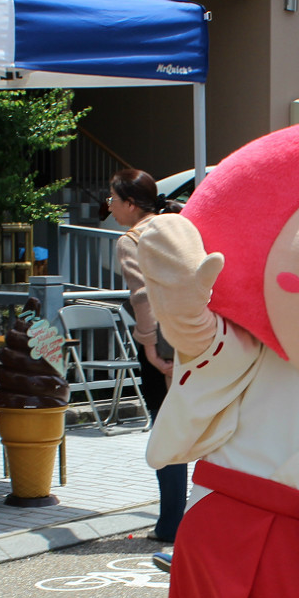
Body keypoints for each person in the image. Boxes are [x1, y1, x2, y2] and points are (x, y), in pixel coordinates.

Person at [108, 168, 188, 543]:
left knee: (167, 431)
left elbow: (142, 297)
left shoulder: (132, 239)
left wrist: (149, 347)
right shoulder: (178, 224)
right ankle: (187, 516)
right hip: (194, 333)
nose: (109, 206)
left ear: (129, 203)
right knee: (193, 424)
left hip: (164, 341)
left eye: (112, 198)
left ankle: (171, 523)